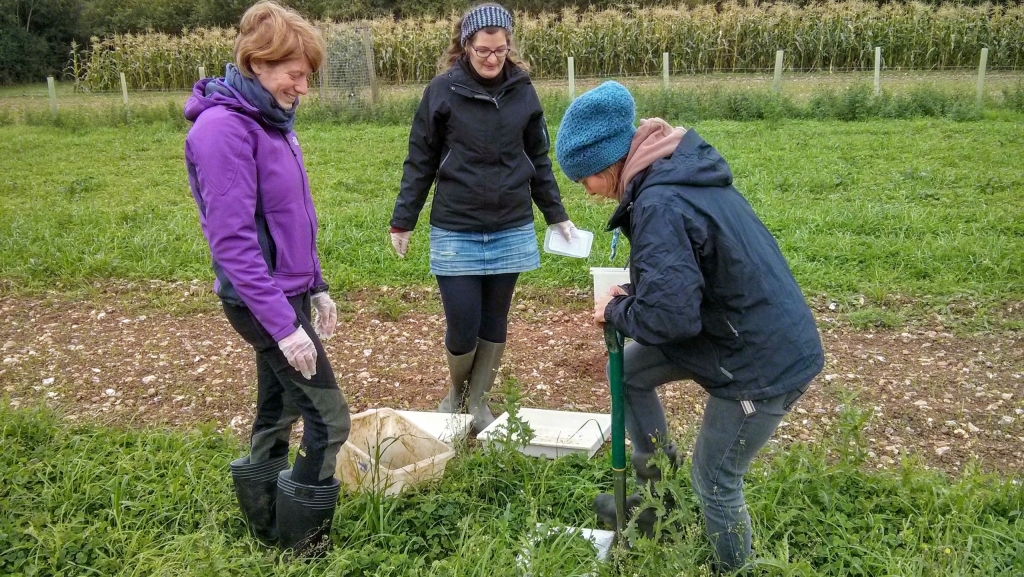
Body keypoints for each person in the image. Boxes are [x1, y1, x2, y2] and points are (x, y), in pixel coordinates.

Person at [555, 81, 824, 574]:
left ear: (606, 162)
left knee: (717, 482)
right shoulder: (675, 175)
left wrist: (617, 311)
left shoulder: (660, 203)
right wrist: (636, 296)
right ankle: (658, 493)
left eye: (583, 180)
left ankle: (733, 568)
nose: (587, 192)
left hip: (758, 362)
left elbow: (670, 319)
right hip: (727, 331)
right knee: (631, 373)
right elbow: (688, 277)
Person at [183, 0, 349, 558]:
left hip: (288, 292)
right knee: (329, 419)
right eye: (294, 74)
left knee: (278, 410)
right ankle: (303, 550)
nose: (303, 87)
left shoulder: (273, 123)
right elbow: (232, 243)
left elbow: (289, 217)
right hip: (260, 300)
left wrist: (317, 282)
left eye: (307, 75)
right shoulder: (223, 130)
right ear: (257, 62)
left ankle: (267, 525)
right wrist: (284, 325)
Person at [389, 3, 575, 431]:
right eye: (483, 51)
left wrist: (556, 215)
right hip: (456, 226)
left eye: (501, 50)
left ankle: (478, 400)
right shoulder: (441, 91)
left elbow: (538, 159)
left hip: (510, 224)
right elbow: (420, 160)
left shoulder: (523, 91)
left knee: (495, 320)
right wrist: (404, 220)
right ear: (465, 46)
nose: (493, 59)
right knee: (462, 322)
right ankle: (456, 392)